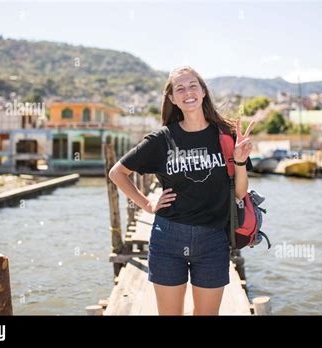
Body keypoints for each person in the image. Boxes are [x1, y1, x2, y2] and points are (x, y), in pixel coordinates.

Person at [109, 66, 254, 315]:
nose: (187, 92)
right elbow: (117, 173)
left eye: (193, 85)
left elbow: (240, 193)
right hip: (168, 238)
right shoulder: (161, 140)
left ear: (203, 92)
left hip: (213, 239)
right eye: (180, 88)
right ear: (173, 99)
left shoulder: (226, 135)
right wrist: (148, 204)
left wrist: (240, 160)